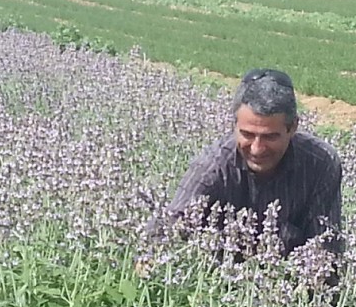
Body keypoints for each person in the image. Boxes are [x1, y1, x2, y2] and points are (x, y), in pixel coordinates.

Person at [146, 68, 344, 278]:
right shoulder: (213, 168)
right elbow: (165, 231)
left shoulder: (319, 163)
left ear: (293, 127)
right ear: (234, 126)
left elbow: (325, 251)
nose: (257, 148)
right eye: (248, 134)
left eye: (270, 137)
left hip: (289, 289)